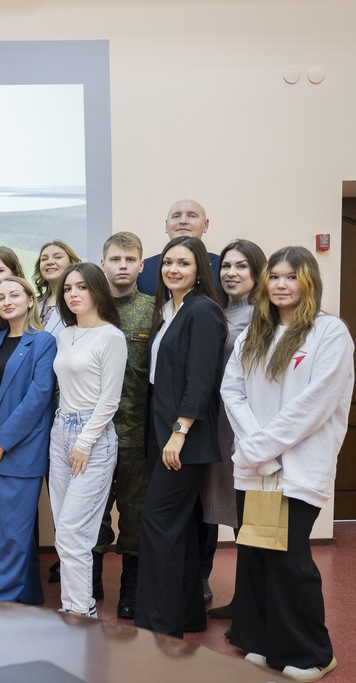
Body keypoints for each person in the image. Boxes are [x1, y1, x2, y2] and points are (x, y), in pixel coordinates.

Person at [221, 246, 351, 682]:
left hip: (296, 466)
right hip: (255, 467)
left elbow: (315, 403)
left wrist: (263, 446)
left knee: (289, 560)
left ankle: (314, 653)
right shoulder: (253, 335)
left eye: (291, 277)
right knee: (256, 554)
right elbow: (232, 391)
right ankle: (264, 642)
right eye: (274, 277)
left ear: (308, 281)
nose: (281, 284)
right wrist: (257, 447)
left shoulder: (329, 332)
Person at [135, 236, 226, 638]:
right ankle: (187, 615)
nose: (173, 269)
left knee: (157, 522)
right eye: (168, 262)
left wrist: (180, 431)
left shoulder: (203, 311)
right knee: (181, 526)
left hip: (184, 437)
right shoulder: (170, 309)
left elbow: (200, 380)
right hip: (162, 432)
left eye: (184, 263)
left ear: (199, 270)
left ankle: (159, 626)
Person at [0, 276, 56, 603]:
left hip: (21, 451)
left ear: (30, 300)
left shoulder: (43, 342)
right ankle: (28, 597)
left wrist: (2, 442)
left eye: (14, 295)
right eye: (1, 297)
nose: (7, 301)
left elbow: (38, 397)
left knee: (12, 533)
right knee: (1, 531)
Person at [49, 262, 126, 617]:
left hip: (91, 437)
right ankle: (71, 605)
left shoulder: (111, 336)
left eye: (81, 287)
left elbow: (110, 400)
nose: (73, 294)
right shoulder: (64, 334)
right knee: (63, 530)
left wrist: (84, 442)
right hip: (60, 430)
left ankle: (82, 609)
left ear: (97, 290)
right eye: (68, 288)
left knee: (72, 532)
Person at [93, 231, 154, 619]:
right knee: (94, 511)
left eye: (130, 260)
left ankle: (131, 589)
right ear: (103, 264)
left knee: (135, 514)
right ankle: (92, 582)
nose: (122, 266)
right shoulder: (89, 308)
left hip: (136, 433)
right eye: (115, 259)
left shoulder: (154, 310)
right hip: (94, 433)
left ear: (141, 265)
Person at [205, 238, 267, 621]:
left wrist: (249, 434)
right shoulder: (218, 311)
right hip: (217, 427)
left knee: (253, 521)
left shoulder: (263, 317)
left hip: (245, 431)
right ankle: (245, 603)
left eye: (241, 266)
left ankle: (254, 609)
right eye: (226, 266)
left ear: (257, 272)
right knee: (232, 515)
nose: (231, 273)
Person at [136, 199, 220, 297]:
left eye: (192, 216)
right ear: (166, 225)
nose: (183, 221)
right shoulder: (143, 269)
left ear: (205, 225)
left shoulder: (222, 267)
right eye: (176, 216)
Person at [33, 240, 82, 337]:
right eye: (44, 259)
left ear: (71, 263)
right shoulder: (34, 304)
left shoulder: (78, 300)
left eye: (58, 257)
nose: (50, 262)